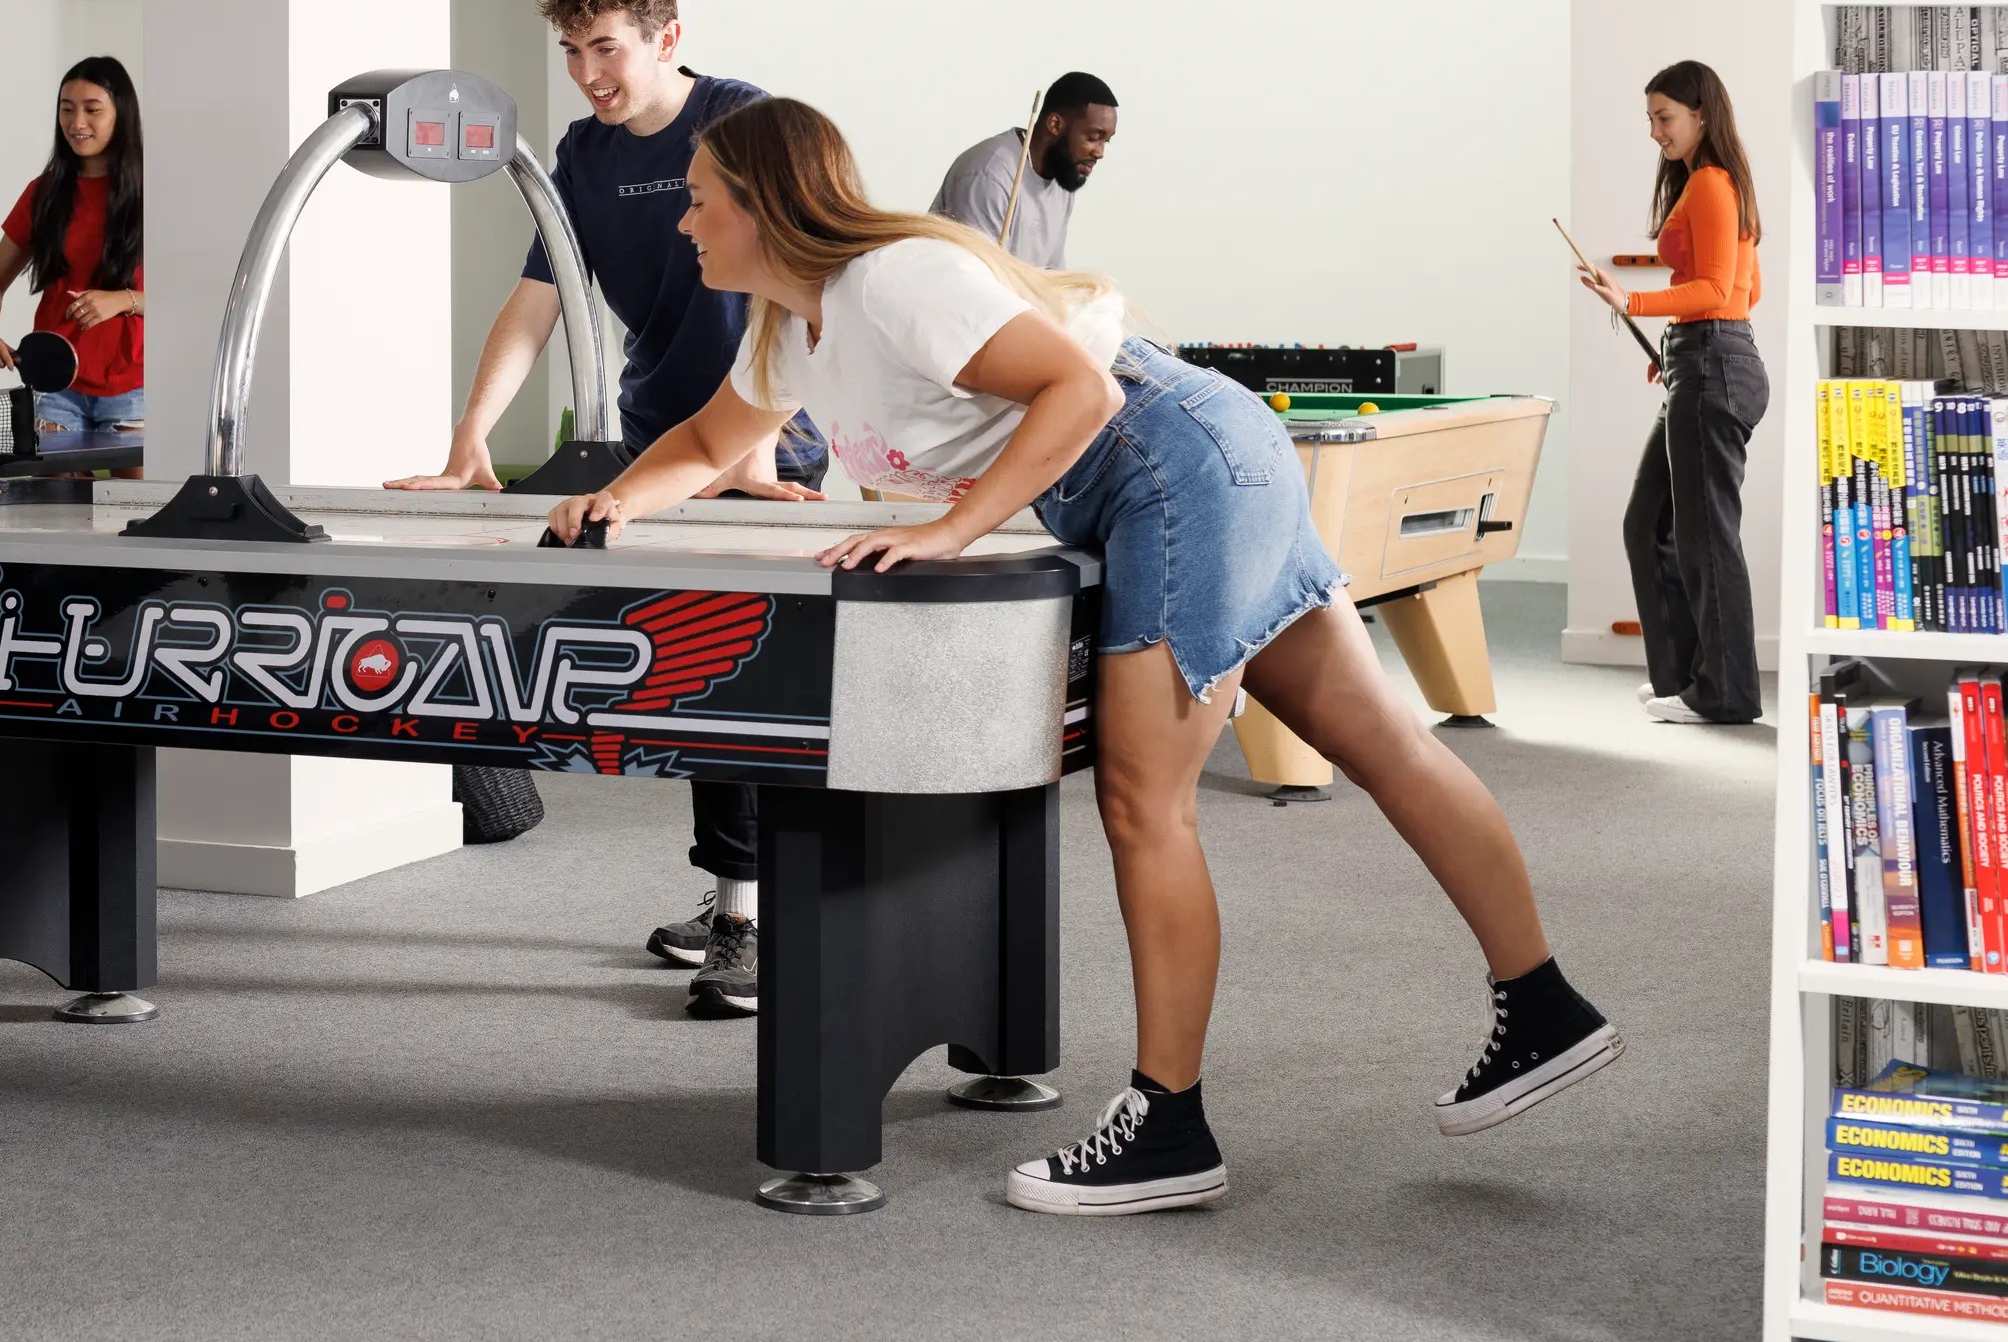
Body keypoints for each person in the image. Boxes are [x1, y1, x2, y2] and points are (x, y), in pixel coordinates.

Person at [544, 97, 1619, 1214]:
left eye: (701, 200)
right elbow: (717, 443)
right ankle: (1543, 1007)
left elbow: (1084, 388)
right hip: (1193, 456)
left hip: (1164, 457)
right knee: (1382, 742)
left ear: (765, 206)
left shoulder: (893, 279)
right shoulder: (789, 326)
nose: (685, 225)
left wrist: (947, 531)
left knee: (1144, 799)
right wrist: (614, 497)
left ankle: (1170, 1126)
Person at [391, 0, 824, 1020]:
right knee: (692, 674)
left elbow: (790, 278)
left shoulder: (739, 119)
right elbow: (537, 301)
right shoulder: (580, 156)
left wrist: (754, 451)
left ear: (667, 37)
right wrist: (469, 441)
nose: (590, 70)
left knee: (747, 687)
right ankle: (738, 900)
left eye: (609, 47)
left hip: (760, 442)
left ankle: (754, 921)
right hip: (656, 443)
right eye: (574, 49)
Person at [1577, 60, 1767, 727]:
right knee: (1649, 523)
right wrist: (1677, 347)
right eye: (1651, 119)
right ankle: (1687, 680)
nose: (1655, 131)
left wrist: (1631, 298)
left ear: (1701, 115)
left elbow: (1717, 293)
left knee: (1706, 538)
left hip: (1713, 364)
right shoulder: (1714, 184)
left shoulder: (1713, 184)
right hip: (1707, 359)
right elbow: (1748, 291)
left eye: (1665, 117)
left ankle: (1724, 695)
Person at [0, 56, 144, 438]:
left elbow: (195, 298)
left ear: (121, 114)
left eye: (92, 110)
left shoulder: (155, 192)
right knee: (57, 496)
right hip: (55, 386)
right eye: (67, 109)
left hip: (135, 388)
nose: (77, 123)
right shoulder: (44, 194)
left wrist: (121, 300)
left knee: (138, 498)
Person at [928, 71, 1118, 268]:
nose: (1100, 152)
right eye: (1093, 137)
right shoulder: (990, 174)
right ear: (1055, 124)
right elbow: (973, 283)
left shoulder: (1063, 175)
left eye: (1106, 140)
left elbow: (1052, 278)